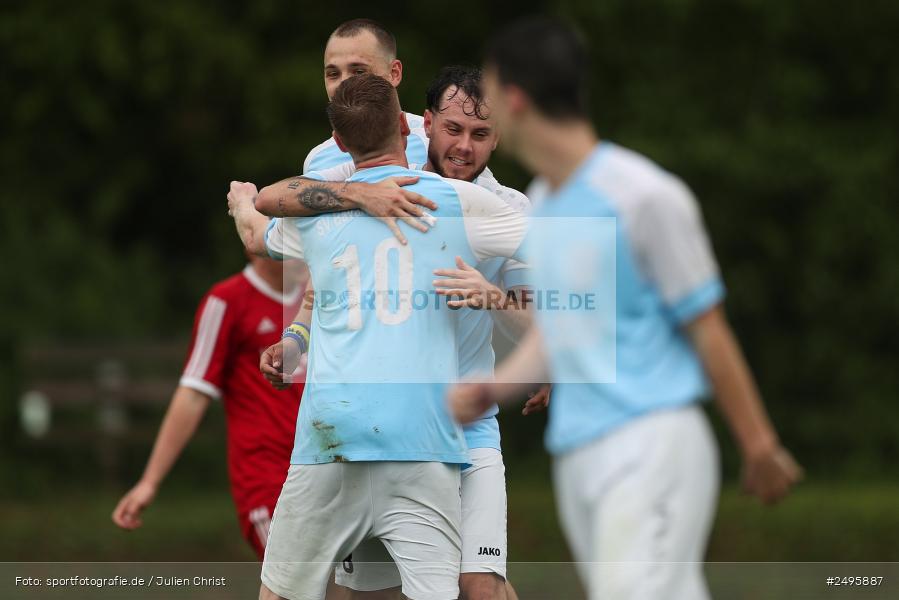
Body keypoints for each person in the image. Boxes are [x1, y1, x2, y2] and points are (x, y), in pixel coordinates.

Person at [449, 17, 803, 600]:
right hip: (579, 454)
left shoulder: (643, 195)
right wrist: (493, 389)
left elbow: (709, 328)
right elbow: (560, 331)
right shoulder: (543, 202)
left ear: (514, 100)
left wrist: (759, 444)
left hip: (650, 443)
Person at [230, 73, 528, 600]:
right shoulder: (461, 204)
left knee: (282, 593)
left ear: (339, 143)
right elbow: (581, 264)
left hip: (334, 437)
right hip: (425, 439)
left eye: (479, 132)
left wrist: (241, 200)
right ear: (412, 127)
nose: (464, 145)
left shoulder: (318, 208)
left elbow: (258, 229)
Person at [111, 254, 305, 561]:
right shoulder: (226, 301)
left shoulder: (318, 298)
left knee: (347, 580)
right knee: (300, 576)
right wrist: (150, 481)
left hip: (325, 474)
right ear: (252, 241)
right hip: (268, 481)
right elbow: (193, 393)